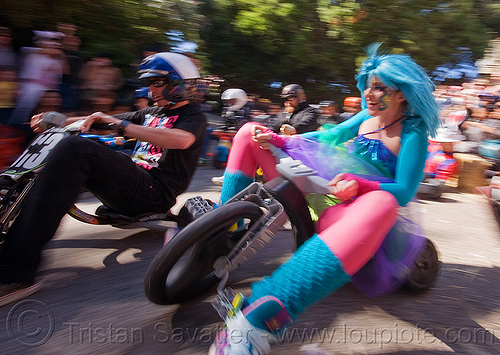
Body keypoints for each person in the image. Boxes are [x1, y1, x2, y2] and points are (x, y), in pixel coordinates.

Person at [209, 43, 440, 355]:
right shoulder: (365, 117)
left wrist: (362, 184)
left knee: (384, 202)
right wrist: (281, 139)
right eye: (368, 87)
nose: (369, 95)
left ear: (402, 93)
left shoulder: (413, 133)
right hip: (318, 190)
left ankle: (256, 320)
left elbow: (405, 191)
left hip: (355, 214)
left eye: (380, 88)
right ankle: (224, 230)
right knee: (250, 131)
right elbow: (328, 137)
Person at [0, 52, 207, 306]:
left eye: (157, 83)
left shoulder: (194, 116)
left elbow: (181, 139)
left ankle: (14, 273)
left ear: (178, 84)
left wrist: (120, 127)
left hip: (155, 192)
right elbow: (101, 122)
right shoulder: (153, 112)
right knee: (63, 147)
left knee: (76, 149)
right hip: (132, 184)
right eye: (150, 83)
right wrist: (58, 121)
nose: (150, 89)